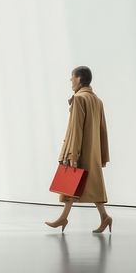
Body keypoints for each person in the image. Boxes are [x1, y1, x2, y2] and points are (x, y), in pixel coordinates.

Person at [46, 66, 112, 233]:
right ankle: (103, 217)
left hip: (80, 150)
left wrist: (72, 154)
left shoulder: (79, 99)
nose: (70, 81)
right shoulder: (97, 100)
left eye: (72, 77)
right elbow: (102, 130)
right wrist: (102, 154)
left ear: (80, 79)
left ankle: (65, 218)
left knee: (72, 184)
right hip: (93, 152)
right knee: (89, 185)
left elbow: (76, 129)